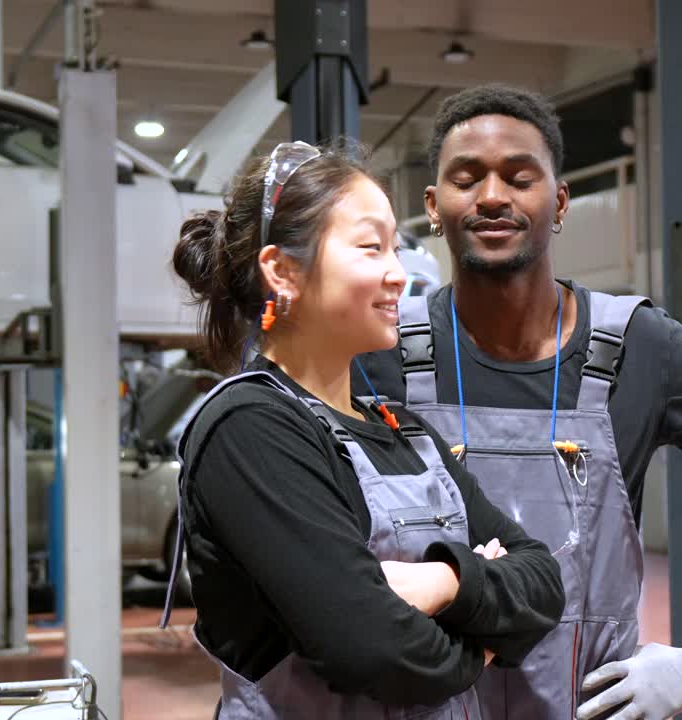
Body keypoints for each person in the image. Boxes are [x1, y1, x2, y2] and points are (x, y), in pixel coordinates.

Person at [358, 84, 682, 719]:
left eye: (519, 178)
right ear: (433, 205)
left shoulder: (642, 348)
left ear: (559, 202)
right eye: (467, 179)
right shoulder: (377, 351)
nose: (493, 196)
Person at [162, 139, 566, 718]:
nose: (398, 274)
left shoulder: (405, 429)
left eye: (396, 249)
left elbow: (543, 580)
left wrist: (444, 583)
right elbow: (375, 650)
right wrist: (482, 647)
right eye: (371, 248)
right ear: (283, 271)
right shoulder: (248, 429)